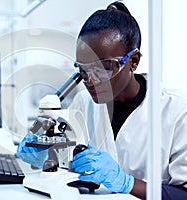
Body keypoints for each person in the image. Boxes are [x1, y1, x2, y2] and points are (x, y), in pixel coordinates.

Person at [17, 1, 187, 199]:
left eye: (104, 67)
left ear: (133, 61)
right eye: (83, 69)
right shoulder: (83, 102)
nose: (91, 80)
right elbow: (58, 155)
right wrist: (38, 149)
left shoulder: (178, 112)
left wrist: (127, 183)